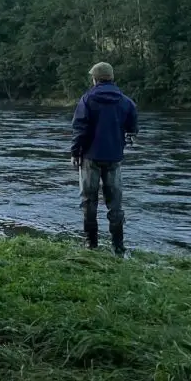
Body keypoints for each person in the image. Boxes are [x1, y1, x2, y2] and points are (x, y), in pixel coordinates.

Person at [70, 62, 138, 255]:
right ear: (111, 78)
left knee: (88, 201)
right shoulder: (126, 101)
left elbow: (80, 129)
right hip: (114, 158)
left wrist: (75, 153)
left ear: (95, 79)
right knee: (115, 203)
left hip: (90, 157)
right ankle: (118, 247)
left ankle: (91, 244)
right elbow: (133, 129)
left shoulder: (87, 100)